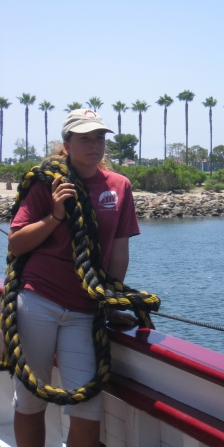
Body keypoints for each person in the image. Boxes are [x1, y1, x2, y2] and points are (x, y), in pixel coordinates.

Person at [8, 109, 140, 447]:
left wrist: (109, 305)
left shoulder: (120, 187)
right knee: (31, 398)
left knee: (87, 405)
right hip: (38, 300)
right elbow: (17, 242)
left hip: (85, 311)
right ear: (67, 144)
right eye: (85, 139)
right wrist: (55, 215)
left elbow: (119, 253)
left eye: (100, 138)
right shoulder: (44, 182)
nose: (94, 145)